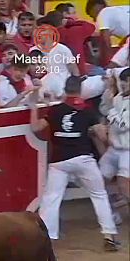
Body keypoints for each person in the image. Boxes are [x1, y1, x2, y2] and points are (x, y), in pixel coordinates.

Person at [30, 76, 119, 251]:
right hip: (83, 159)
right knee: (99, 195)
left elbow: (35, 127)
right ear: (80, 90)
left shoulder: (55, 111)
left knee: (51, 199)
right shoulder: (88, 110)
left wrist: (33, 108)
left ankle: (47, 237)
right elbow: (103, 137)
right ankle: (108, 235)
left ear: (65, 89)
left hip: (59, 161)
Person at [98, 68, 129, 221]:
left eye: (127, 81)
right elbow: (105, 111)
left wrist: (111, 112)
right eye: (122, 81)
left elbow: (124, 126)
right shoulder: (117, 99)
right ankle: (112, 213)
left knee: (124, 187)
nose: (123, 84)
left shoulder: (116, 102)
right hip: (114, 149)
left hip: (128, 151)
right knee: (98, 180)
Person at [86, 0, 129, 66]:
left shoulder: (102, 13)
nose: (94, 20)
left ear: (95, 7)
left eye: (91, 15)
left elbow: (105, 41)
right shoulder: (122, 9)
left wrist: (109, 63)